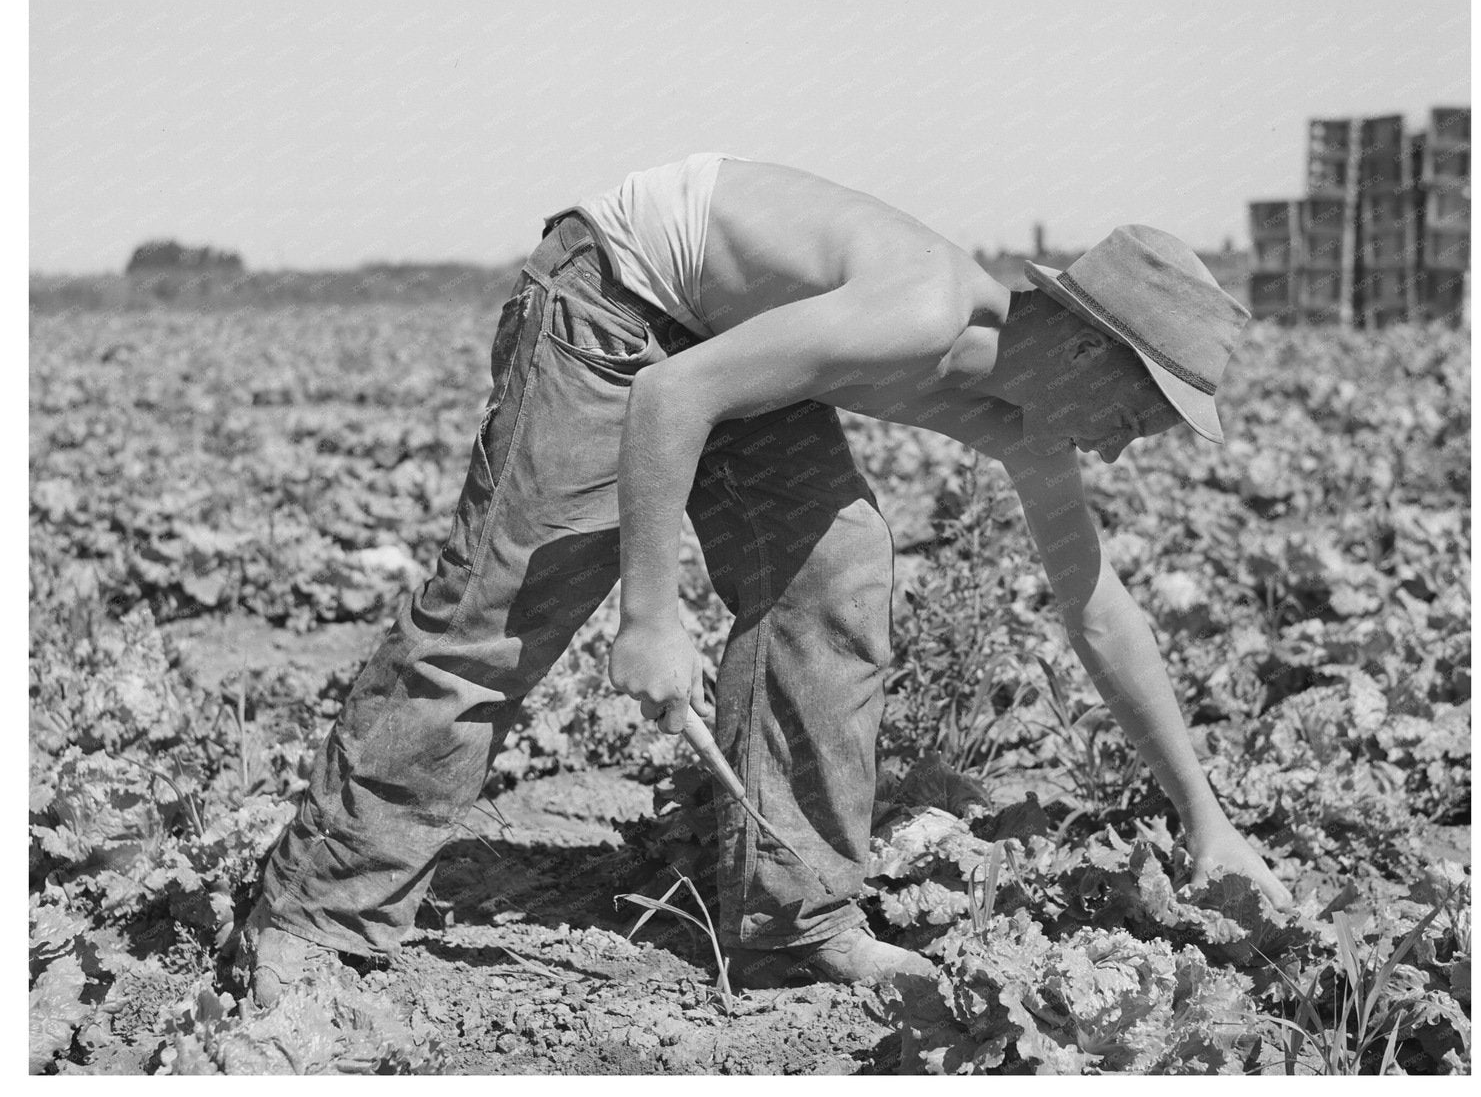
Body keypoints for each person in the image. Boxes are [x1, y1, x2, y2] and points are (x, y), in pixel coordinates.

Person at [234, 153, 1292, 1005]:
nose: (1119, 448)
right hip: (618, 296)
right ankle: (318, 916)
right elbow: (670, 396)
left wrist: (1205, 817)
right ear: (1088, 353)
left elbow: (1095, 607)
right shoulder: (923, 311)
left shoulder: (1026, 423)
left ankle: (796, 919)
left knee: (837, 567)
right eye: (1136, 417)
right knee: (505, 612)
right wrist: (651, 617)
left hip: (721, 342)